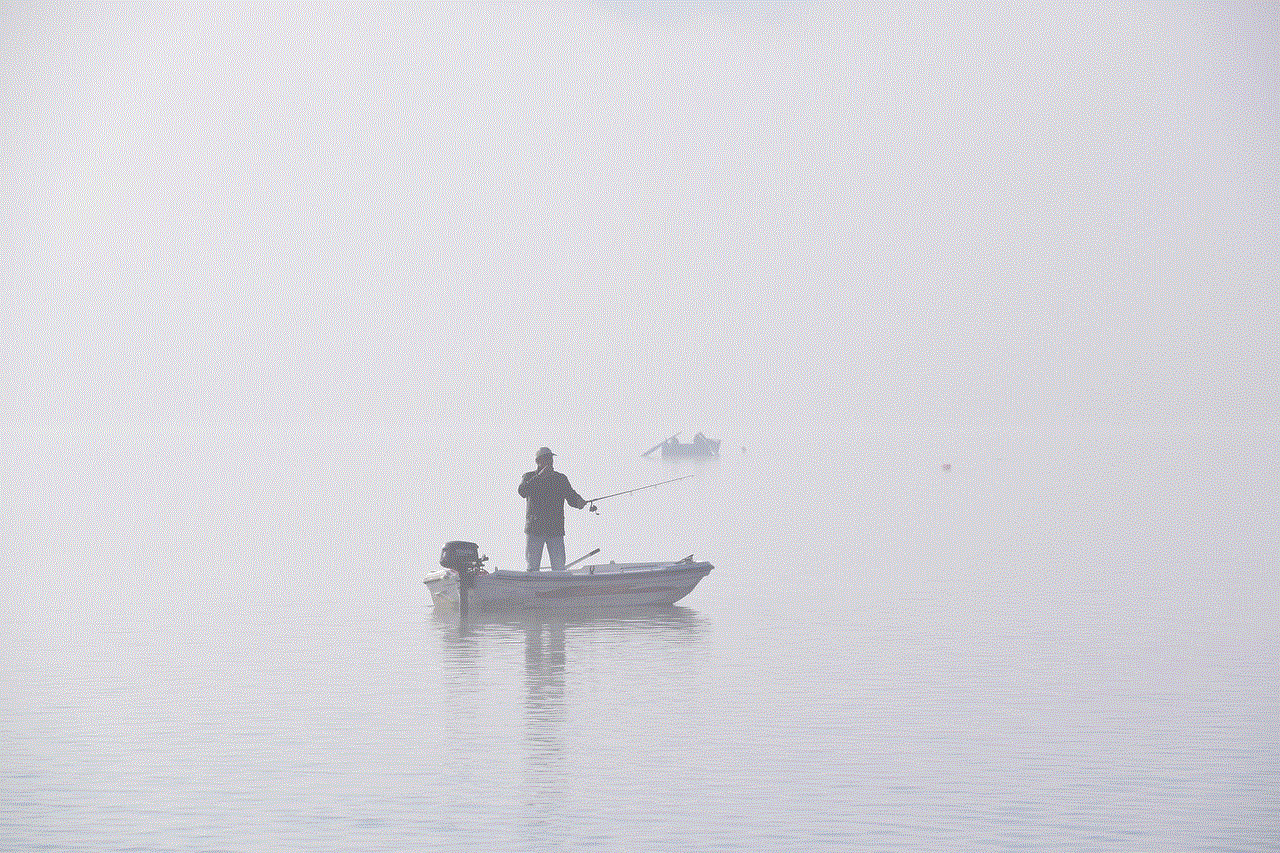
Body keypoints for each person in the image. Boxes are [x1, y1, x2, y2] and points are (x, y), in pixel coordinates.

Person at [517, 447, 587, 571]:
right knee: (532, 567)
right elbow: (522, 491)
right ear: (538, 461)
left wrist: (579, 502)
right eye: (547, 458)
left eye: (551, 458)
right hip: (535, 529)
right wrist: (539, 477)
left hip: (555, 529)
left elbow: (571, 496)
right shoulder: (529, 477)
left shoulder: (560, 479)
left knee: (559, 567)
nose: (550, 461)